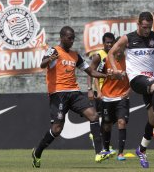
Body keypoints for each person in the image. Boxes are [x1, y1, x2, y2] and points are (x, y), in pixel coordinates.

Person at [32, 26, 111, 168]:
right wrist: (49, 59)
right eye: (69, 38)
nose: (72, 41)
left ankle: (99, 152)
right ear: (62, 37)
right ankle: (37, 153)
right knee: (56, 129)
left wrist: (107, 76)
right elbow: (42, 64)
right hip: (58, 94)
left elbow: (91, 72)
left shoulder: (75, 55)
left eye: (73, 38)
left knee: (93, 116)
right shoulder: (54, 50)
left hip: (74, 93)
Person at [108, 12, 154, 168]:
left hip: (150, 80)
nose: (147, 30)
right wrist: (115, 69)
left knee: (151, 120)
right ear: (138, 24)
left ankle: (142, 150)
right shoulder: (127, 38)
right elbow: (111, 53)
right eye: (144, 27)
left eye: (149, 27)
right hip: (136, 79)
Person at [99, 44, 131, 161]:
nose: (119, 51)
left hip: (122, 97)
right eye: (117, 49)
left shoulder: (129, 61)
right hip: (107, 97)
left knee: (121, 122)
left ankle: (120, 154)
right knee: (106, 125)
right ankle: (106, 150)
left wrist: (129, 91)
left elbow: (134, 78)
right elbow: (96, 75)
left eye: (121, 49)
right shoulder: (106, 60)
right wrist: (98, 91)